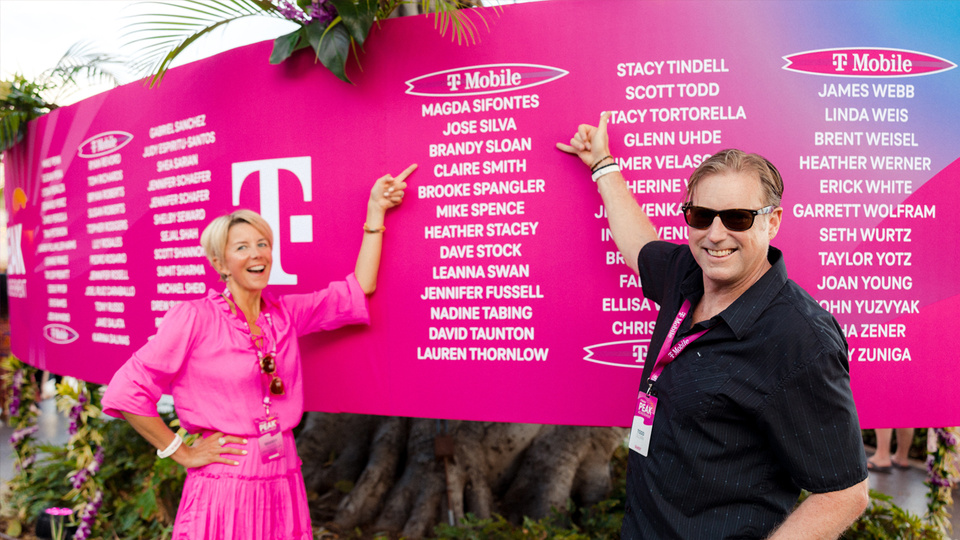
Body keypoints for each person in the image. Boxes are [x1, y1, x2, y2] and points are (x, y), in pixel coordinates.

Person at [558, 113, 869, 539]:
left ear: (772, 222)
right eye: (702, 215)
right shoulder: (686, 274)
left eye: (737, 218)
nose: (716, 234)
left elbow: (844, 494)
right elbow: (638, 246)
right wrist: (603, 165)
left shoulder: (800, 338)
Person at [101, 163, 416, 539]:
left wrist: (375, 211)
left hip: (282, 474)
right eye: (242, 247)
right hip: (226, 483)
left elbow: (358, 288)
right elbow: (125, 392)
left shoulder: (283, 315)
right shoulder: (194, 318)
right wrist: (180, 452)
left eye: (263, 244)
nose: (257, 254)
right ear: (220, 263)